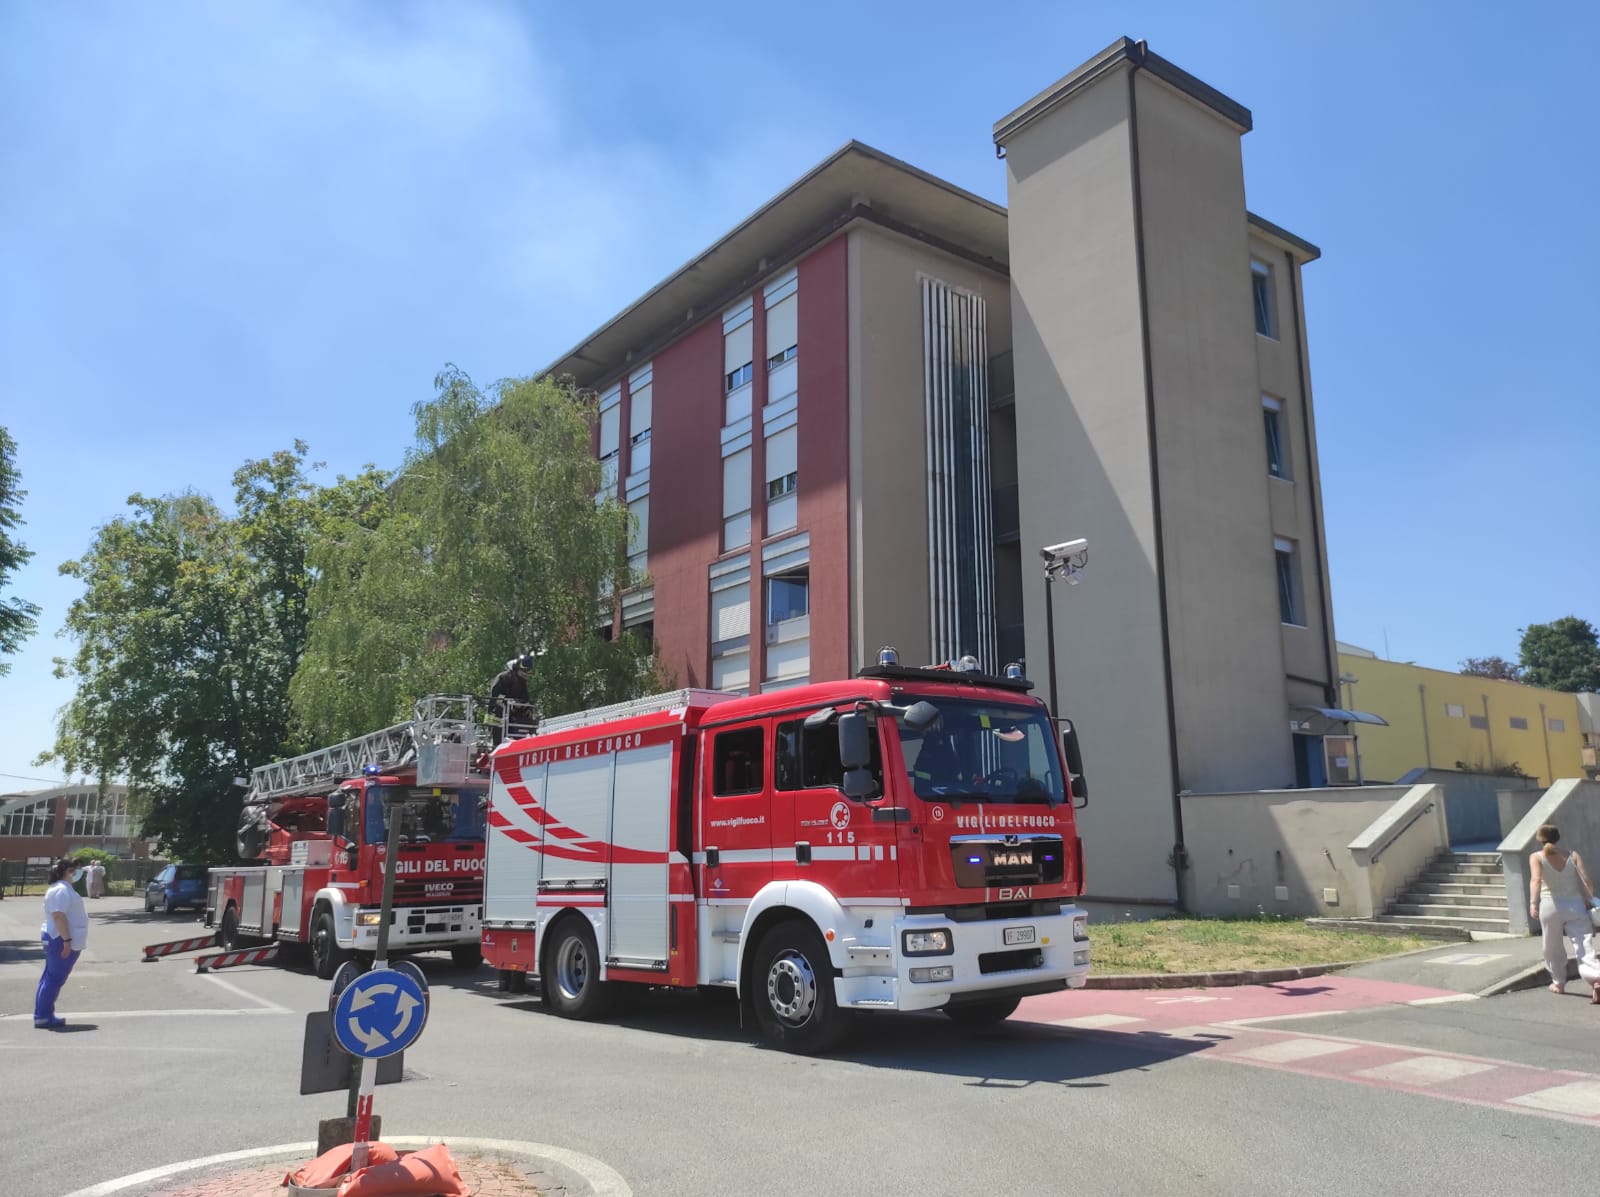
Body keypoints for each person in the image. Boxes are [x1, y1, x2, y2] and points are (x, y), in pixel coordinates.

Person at [1529, 824, 1596, 995]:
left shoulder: (1536, 857)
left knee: (1552, 946)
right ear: (1558, 837)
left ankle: (1559, 983)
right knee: (1583, 944)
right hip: (1575, 905)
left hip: (1550, 905)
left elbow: (1535, 880)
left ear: (1539, 838)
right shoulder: (1573, 855)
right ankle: (1596, 979)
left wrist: (1533, 903)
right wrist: (1589, 898)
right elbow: (1586, 880)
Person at [36, 856, 89, 1029]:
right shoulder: (61, 890)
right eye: (74, 870)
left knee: (50, 978)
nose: (77, 873)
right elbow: (58, 916)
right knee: (54, 979)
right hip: (59, 939)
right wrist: (67, 941)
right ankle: (43, 1016)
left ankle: (44, 1014)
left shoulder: (62, 889)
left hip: (58, 938)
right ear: (67, 871)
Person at [489, 652, 537, 742]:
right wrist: (510, 703)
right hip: (496, 716)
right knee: (498, 735)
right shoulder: (503, 678)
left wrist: (526, 707)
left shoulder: (522, 683)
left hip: (512, 717)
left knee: (528, 716)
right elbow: (495, 698)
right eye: (524, 672)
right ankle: (497, 746)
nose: (526, 675)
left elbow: (525, 699)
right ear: (517, 669)